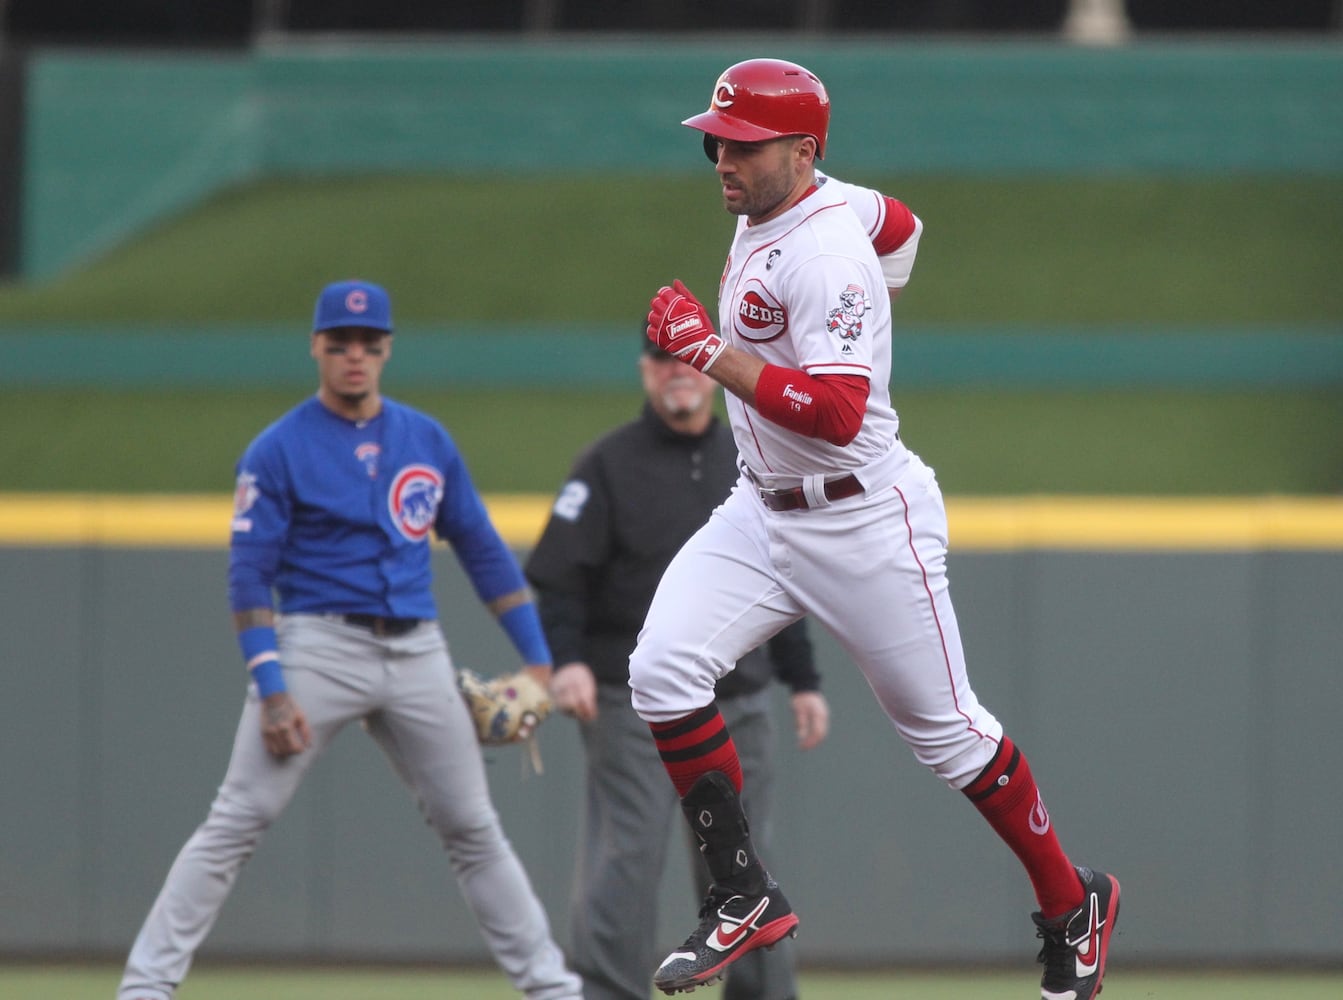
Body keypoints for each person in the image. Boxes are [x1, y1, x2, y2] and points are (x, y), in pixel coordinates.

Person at [631, 58, 1121, 1000]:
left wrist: (709, 353)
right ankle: (742, 894)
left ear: (801, 149)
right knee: (660, 670)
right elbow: (903, 224)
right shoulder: (817, 207)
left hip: (861, 518)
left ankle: (1072, 901)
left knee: (950, 740)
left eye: (740, 144)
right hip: (761, 508)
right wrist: (876, 296)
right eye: (713, 141)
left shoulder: (822, 252)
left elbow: (837, 413)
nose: (720, 157)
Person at [117, 279, 583, 1000]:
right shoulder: (276, 449)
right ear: (316, 348)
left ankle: (552, 989)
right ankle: (146, 985)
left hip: (417, 649)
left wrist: (539, 660)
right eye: (340, 344)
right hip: (317, 647)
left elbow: (483, 550)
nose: (355, 356)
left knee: (472, 826)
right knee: (238, 818)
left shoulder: (425, 439)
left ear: (388, 349)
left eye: (369, 344)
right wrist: (272, 689)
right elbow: (249, 579)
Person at [523, 334, 831, 1000]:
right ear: (644, 370)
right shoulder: (606, 463)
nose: (678, 373)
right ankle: (607, 993)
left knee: (748, 865)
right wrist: (566, 662)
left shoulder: (751, 452)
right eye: (663, 360)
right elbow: (557, 578)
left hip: (738, 699)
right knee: (623, 861)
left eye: (690, 359)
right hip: (628, 704)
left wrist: (802, 681)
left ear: (714, 373)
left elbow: (783, 574)